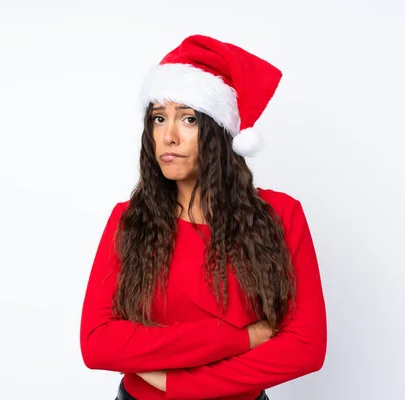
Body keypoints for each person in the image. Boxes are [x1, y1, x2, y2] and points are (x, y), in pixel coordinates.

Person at [79, 34, 327, 400]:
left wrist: (177, 382)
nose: (169, 136)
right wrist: (240, 337)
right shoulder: (128, 220)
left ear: (219, 132)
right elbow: (97, 343)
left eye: (189, 119)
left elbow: (305, 347)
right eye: (159, 118)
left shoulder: (281, 215)